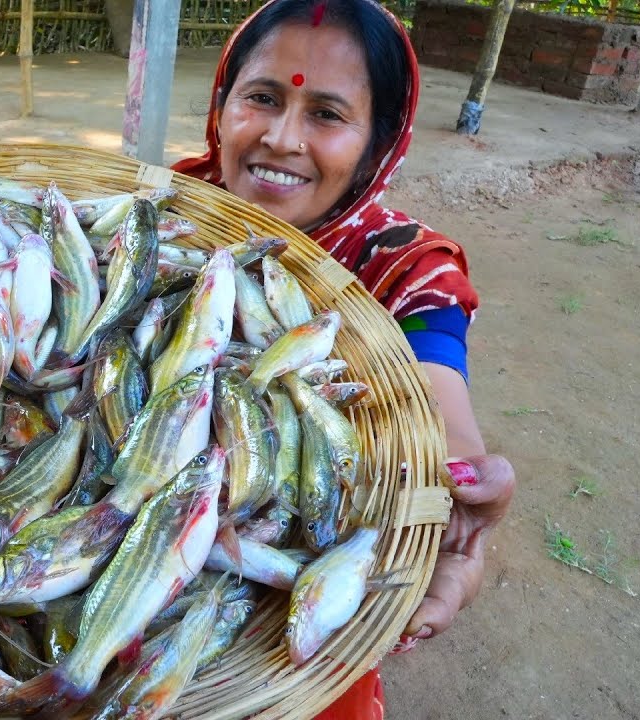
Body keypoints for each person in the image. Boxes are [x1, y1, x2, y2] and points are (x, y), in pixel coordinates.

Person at [171, 0, 516, 715]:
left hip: (281, 654)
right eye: (261, 97)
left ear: (377, 140)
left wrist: (462, 483)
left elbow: (435, 384)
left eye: (326, 114)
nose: (281, 138)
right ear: (222, 102)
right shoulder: (167, 211)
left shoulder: (406, 270)